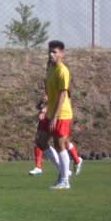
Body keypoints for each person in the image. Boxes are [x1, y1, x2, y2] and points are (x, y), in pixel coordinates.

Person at [34, 40, 77, 190]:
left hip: (61, 114)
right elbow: (51, 94)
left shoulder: (62, 71)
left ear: (62, 53)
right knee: (40, 141)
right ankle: (63, 170)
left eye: (54, 52)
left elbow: (63, 95)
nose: (51, 54)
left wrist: (54, 116)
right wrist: (44, 104)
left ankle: (65, 181)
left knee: (60, 145)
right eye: (50, 52)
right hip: (51, 112)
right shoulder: (51, 70)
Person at [29, 91, 82, 177]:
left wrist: (46, 107)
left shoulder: (63, 91)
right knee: (39, 140)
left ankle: (76, 160)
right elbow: (39, 106)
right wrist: (42, 103)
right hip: (47, 117)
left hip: (60, 117)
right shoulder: (49, 88)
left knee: (64, 143)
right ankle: (38, 166)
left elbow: (61, 101)